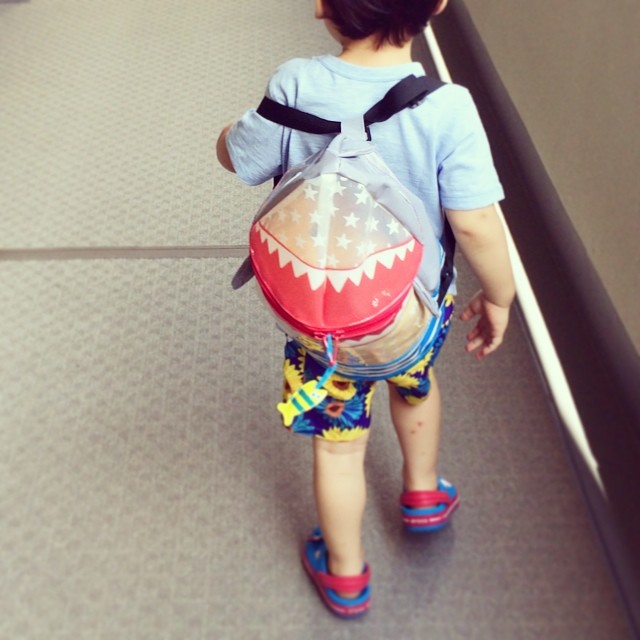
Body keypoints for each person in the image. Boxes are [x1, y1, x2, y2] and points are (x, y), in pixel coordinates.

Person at [217, 0, 516, 619]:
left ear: (322, 5)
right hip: (414, 319)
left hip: (320, 334)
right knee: (415, 387)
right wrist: (500, 296)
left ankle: (346, 573)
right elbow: (476, 223)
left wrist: (230, 133)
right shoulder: (448, 107)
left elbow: (238, 157)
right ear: (438, 3)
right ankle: (423, 493)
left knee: (338, 449)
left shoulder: (295, 84)